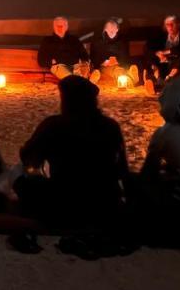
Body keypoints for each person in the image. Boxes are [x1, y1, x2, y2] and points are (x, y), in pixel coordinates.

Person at [14, 75, 128, 225]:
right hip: (103, 202)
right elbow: (122, 170)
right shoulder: (110, 126)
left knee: (21, 182)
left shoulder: (53, 125)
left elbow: (29, 158)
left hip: (63, 201)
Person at [146, 15, 180, 92]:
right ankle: (158, 79)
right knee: (151, 56)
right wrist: (158, 54)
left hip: (179, 64)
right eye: (167, 24)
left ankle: (167, 80)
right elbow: (149, 48)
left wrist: (165, 52)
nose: (170, 26)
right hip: (164, 63)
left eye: (172, 24)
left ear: (178, 24)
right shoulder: (161, 36)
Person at [88, 17, 138, 86]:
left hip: (119, 65)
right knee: (116, 71)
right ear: (105, 29)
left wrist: (118, 60)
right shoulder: (98, 42)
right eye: (110, 29)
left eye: (114, 29)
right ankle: (131, 77)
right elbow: (93, 57)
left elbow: (126, 57)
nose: (112, 31)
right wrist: (103, 61)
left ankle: (131, 77)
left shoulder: (121, 41)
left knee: (119, 70)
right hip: (104, 67)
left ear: (117, 29)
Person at [37, 16, 89, 80]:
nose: (59, 28)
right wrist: (52, 61)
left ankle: (83, 80)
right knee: (70, 77)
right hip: (59, 66)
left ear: (66, 27)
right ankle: (83, 81)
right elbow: (41, 60)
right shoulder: (47, 40)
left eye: (62, 26)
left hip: (75, 66)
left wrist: (84, 63)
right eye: (57, 26)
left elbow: (84, 55)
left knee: (81, 72)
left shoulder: (74, 40)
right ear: (54, 27)